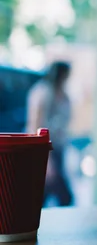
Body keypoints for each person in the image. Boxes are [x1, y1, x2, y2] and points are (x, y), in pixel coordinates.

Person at [27, 61, 74, 207]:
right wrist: (47, 161)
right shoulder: (43, 93)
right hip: (44, 149)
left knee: (44, 193)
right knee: (62, 195)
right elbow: (36, 125)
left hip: (57, 147)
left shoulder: (63, 94)